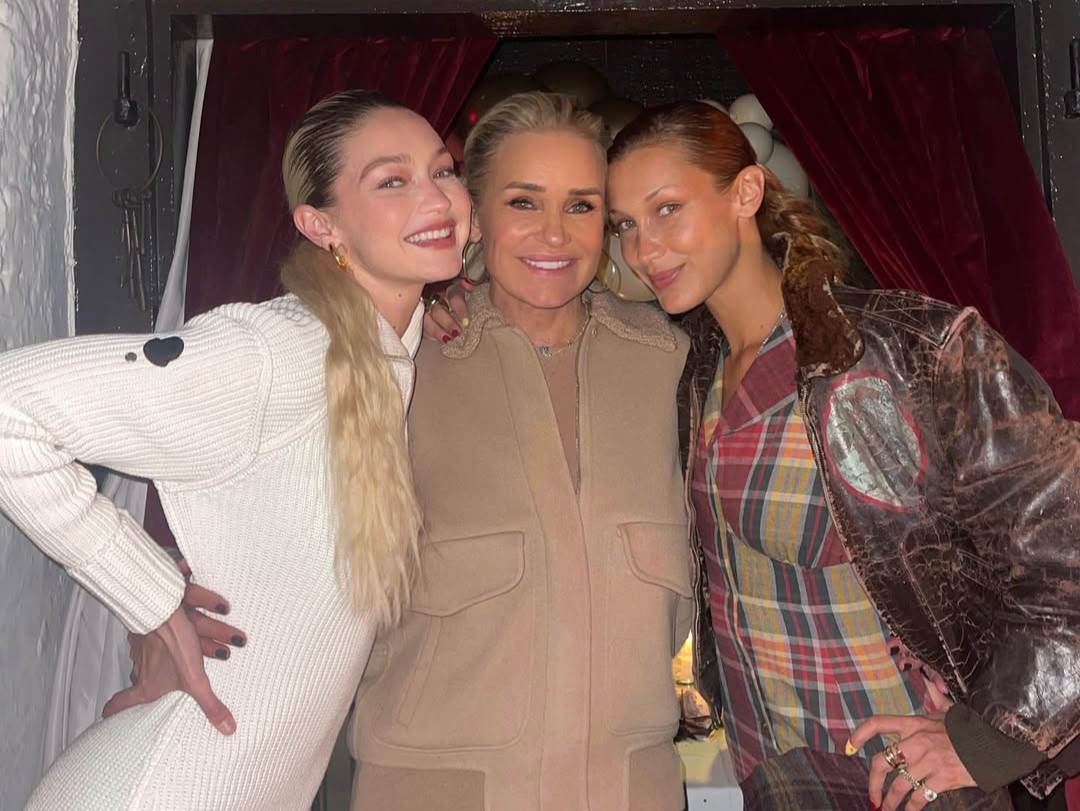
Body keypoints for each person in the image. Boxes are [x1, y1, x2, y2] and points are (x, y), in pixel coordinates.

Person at [0, 88, 470, 810]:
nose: (435, 197)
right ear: (320, 224)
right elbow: (10, 409)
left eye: (442, 171)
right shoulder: (278, 351)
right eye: (392, 180)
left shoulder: (387, 356)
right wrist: (151, 599)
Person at [603, 100, 1080, 811]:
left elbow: (1066, 553)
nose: (643, 250)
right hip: (776, 774)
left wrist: (983, 741)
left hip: (905, 782)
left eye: (667, 209)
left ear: (746, 192)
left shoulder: (906, 351)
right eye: (624, 225)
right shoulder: (695, 372)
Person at [347, 91, 694, 811]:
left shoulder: (672, 361)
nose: (555, 234)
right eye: (524, 202)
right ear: (474, 214)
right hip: (433, 790)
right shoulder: (403, 361)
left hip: (629, 790)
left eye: (581, 205)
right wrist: (165, 614)